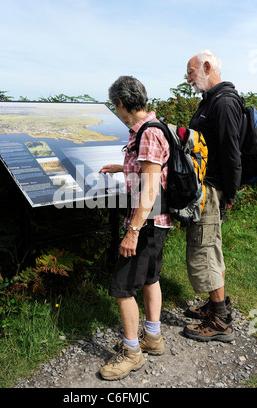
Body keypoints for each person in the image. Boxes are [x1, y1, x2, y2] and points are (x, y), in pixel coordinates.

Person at [98, 76, 173, 380]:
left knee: (122, 287)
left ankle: (131, 353)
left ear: (121, 103)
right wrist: (121, 167)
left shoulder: (147, 133)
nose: (115, 111)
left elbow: (151, 189)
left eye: (114, 106)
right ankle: (152, 338)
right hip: (158, 222)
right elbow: (150, 168)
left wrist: (132, 231)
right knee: (150, 278)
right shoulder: (154, 126)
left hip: (146, 223)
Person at [184, 50, 244, 342]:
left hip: (211, 188)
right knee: (210, 245)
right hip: (205, 187)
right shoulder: (212, 101)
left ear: (207, 67)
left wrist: (230, 193)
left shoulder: (224, 103)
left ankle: (220, 320)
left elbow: (232, 152)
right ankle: (214, 304)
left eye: (191, 73)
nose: (188, 80)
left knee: (204, 247)